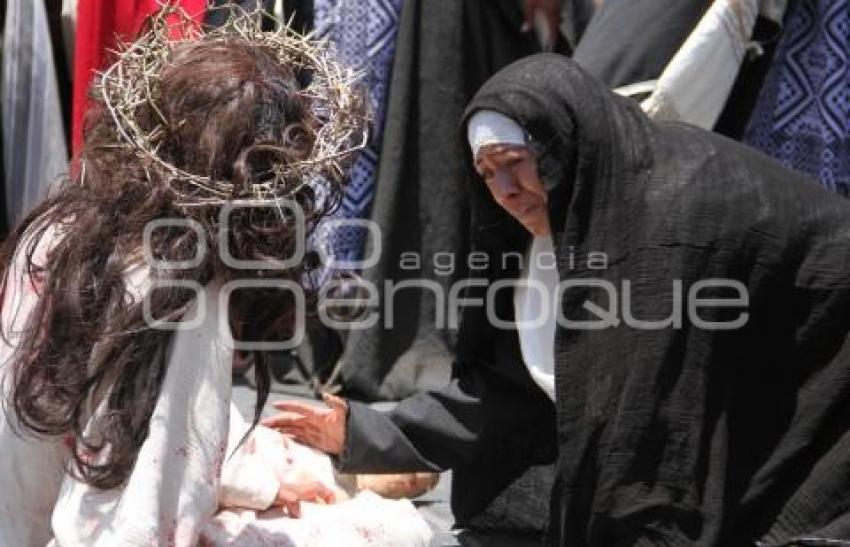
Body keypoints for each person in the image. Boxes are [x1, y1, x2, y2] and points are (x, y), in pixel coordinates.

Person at [266, 54, 850, 546]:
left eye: (517, 164)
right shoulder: (547, 232)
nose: (507, 192)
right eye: (487, 174)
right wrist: (366, 433)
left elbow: (652, 441)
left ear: (562, 145)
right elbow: (514, 389)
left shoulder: (664, 225)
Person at [0, 8, 432, 546]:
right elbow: (138, 519)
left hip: (21, 521)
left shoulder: (59, 228)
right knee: (392, 531)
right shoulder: (182, 291)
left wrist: (270, 476)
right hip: (83, 529)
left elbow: (133, 421)